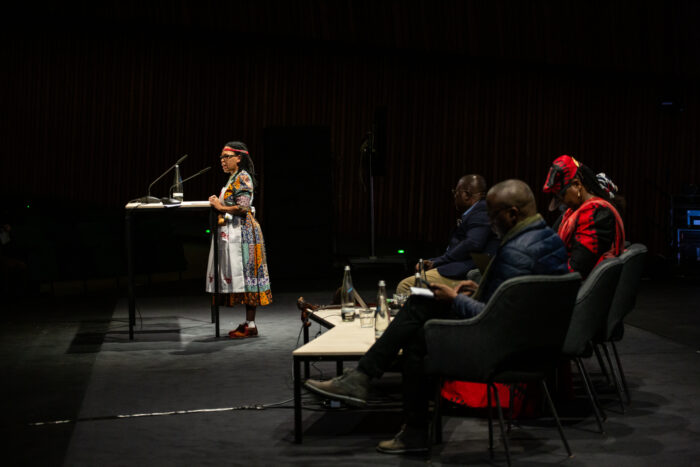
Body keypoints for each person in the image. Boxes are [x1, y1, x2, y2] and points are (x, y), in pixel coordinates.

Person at [304, 179, 568, 454]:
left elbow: (496, 316)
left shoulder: (517, 250)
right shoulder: (548, 238)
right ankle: (374, 391)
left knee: (421, 328)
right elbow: (518, 297)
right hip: (537, 341)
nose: (490, 222)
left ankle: (367, 384)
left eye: (493, 215)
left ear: (513, 214)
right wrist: (478, 290)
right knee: (422, 308)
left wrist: (456, 299)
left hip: (507, 347)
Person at [206, 141, 272, 338]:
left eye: (226, 157)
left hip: (245, 235)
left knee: (249, 276)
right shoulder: (233, 178)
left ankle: (251, 325)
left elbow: (242, 207)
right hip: (235, 232)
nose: (222, 161)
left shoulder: (243, 177)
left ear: (239, 158)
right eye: (221, 158)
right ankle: (248, 324)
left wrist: (219, 207)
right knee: (244, 277)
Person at [395, 174, 498, 295]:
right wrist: (436, 261)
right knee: (416, 287)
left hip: (463, 272)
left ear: (465, 195)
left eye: (456, 192)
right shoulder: (477, 211)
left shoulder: (481, 211)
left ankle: (437, 308)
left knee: (406, 287)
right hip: (457, 267)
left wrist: (438, 262)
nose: (454, 196)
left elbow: (472, 243)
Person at [543, 155, 625, 278]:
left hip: (572, 289)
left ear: (577, 184)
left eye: (562, 195)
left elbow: (577, 269)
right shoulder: (574, 212)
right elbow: (548, 244)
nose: (562, 201)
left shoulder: (597, 214)